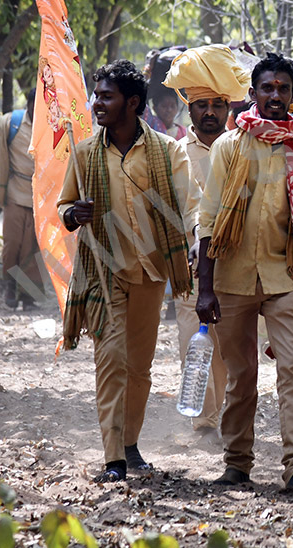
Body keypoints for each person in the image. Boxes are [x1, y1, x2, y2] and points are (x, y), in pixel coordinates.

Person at [196, 52, 293, 496]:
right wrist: (205, 289)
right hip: (233, 278)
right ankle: (237, 463)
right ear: (253, 94)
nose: (275, 95)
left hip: (288, 277)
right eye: (267, 88)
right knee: (241, 376)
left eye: (282, 88)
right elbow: (208, 219)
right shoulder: (229, 146)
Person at [57, 60, 199, 483]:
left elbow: (190, 206)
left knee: (138, 367)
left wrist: (196, 241)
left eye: (107, 96)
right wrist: (74, 213)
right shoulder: (84, 153)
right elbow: (64, 206)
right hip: (103, 273)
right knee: (111, 361)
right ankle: (114, 457)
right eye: (96, 96)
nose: (97, 103)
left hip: (152, 273)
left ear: (132, 103)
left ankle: (131, 444)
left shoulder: (169, 152)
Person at [162, 45, 251, 438]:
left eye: (217, 104)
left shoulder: (245, 150)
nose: (210, 112)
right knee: (193, 345)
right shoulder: (174, 154)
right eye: (202, 105)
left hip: (238, 267)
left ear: (228, 107)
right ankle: (203, 423)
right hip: (191, 270)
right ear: (190, 109)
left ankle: (232, 418)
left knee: (233, 351)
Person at [0, 88, 45, 309]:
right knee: (12, 245)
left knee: (33, 248)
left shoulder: (54, 129)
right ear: (29, 104)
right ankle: (9, 285)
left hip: (41, 199)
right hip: (15, 195)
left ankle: (28, 296)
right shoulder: (9, 125)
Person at [143, 48, 188, 139]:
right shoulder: (150, 124)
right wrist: (148, 67)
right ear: (154, 108)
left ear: (177, 108)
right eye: (164, 106)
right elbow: (139, 94)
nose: (169, 110)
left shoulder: (184, 132)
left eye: (172, 106)